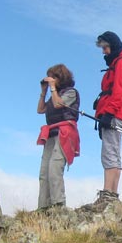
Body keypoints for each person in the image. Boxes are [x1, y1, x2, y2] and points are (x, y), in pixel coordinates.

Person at [94, 31, 122, 206]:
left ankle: (108, 194)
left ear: (113, 46)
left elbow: (119, 90)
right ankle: (110, 193)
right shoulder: (121, 62)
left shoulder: (121, 63)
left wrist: (109, 113)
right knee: (113, 151)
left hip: (115, 113)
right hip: (117, 113)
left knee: (110, 152)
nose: (104, 51)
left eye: (105, 47)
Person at [36, 64, 80, 210]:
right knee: (44, 172)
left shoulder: (71, 92)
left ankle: (58, 205)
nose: (50, 80)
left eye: (53, 77)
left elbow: (58, 104)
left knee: (54, 169)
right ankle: (43, 207)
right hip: (51, 134)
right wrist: (43, 92)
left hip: (64, 133)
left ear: (60, 77)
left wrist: (53, 88)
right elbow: (40, 110)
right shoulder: (54, 95)